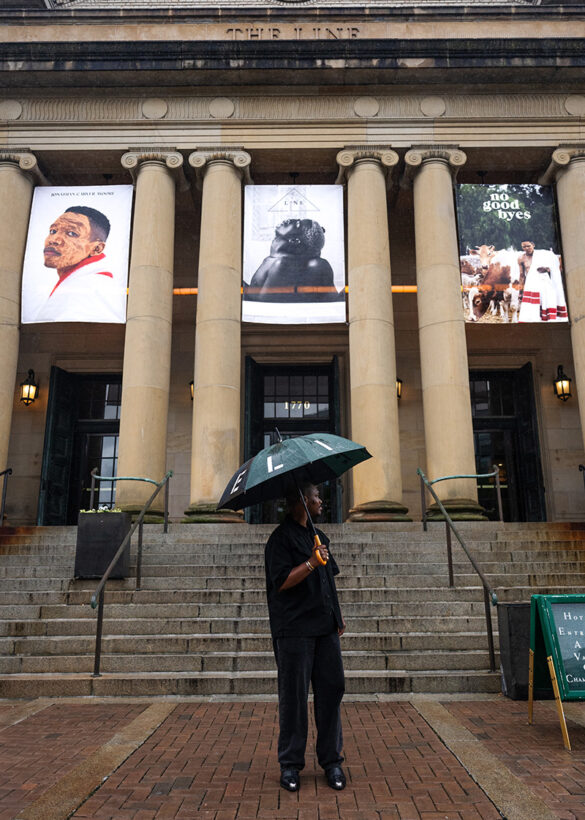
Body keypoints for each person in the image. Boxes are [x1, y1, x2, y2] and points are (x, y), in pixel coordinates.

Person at [264, 482, 346, 793]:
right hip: (294, 630)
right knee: (294, 699)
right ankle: (290, 765)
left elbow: (328, 581)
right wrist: (311, 562)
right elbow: (281, 582)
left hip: (325, 629)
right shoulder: (279, 540)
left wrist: (337, 616)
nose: (321, 501)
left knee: (331, 692)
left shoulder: (319, 537)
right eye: (315, 497)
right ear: (301, 501)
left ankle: (332, 761)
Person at [33, 205, 124, 323]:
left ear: (97, 248)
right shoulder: (81, 283)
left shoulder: (89, 288)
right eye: (53, 231)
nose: (54, 239)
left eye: (71, 233)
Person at [517, 239, 568, 322]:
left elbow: (553, 267)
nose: (526, 248)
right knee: (532, 308)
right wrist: (520, 291)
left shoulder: (543, 255)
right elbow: (522, 275)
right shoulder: (521, 258)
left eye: (528, 246)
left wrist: (547, 269)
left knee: (545, 303)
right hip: (531, 286)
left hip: (544, 284)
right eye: (524, 247)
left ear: (533, 245)